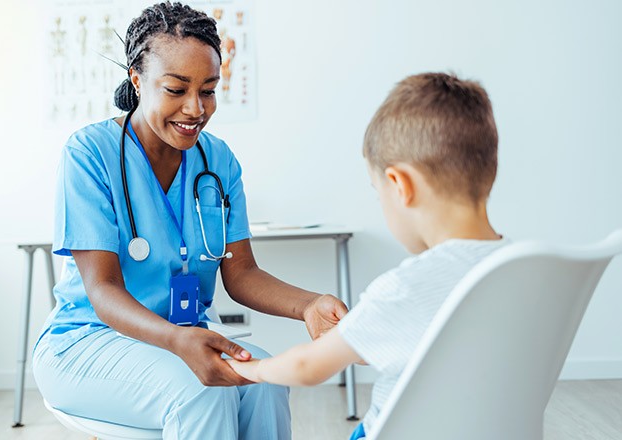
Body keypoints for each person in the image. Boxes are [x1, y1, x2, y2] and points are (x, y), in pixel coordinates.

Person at [32, 2, 347, 439]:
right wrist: (178, 342)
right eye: (176, 89)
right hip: (88, 341)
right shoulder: (90, 154)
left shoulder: (218, 161)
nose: (195, 108)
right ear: (137, 80)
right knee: (204, 390)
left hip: (185, 336)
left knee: (266, 382)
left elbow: (242, 275)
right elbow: (102, 291)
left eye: (209, 90)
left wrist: (309, 305)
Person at [227, 72, 507, 439]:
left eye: (378, 192)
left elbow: (308, 367)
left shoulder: (409, 287)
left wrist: (251, 370)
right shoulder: (525, 269)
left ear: (399, 186)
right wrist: (357, 335)